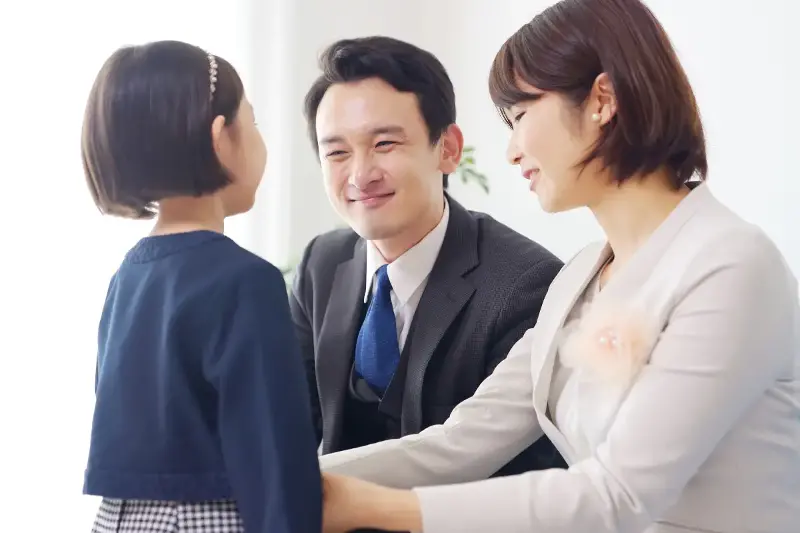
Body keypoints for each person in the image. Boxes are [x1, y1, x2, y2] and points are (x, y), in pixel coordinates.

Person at [317, 1, 800, 532]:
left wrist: (370, 508)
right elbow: (460, 445)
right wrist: (294, 479)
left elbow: (616, 497)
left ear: (602, 100)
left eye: (521, 116)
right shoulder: (580, 277)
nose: (511, 151)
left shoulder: (730, 266)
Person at [292, 35, 566, 477]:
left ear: (448, 149)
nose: (360, 175)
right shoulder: (321, 264)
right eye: (337, 152)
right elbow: (289, 425)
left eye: (384, 144)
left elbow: (514, 474)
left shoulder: (526, 284)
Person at [80, 40, 322, 533]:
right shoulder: (245, 281)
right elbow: (275, 459)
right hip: (206, 518)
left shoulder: (127, 278)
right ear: (220, 137)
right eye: (252, 122)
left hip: (118, 519)